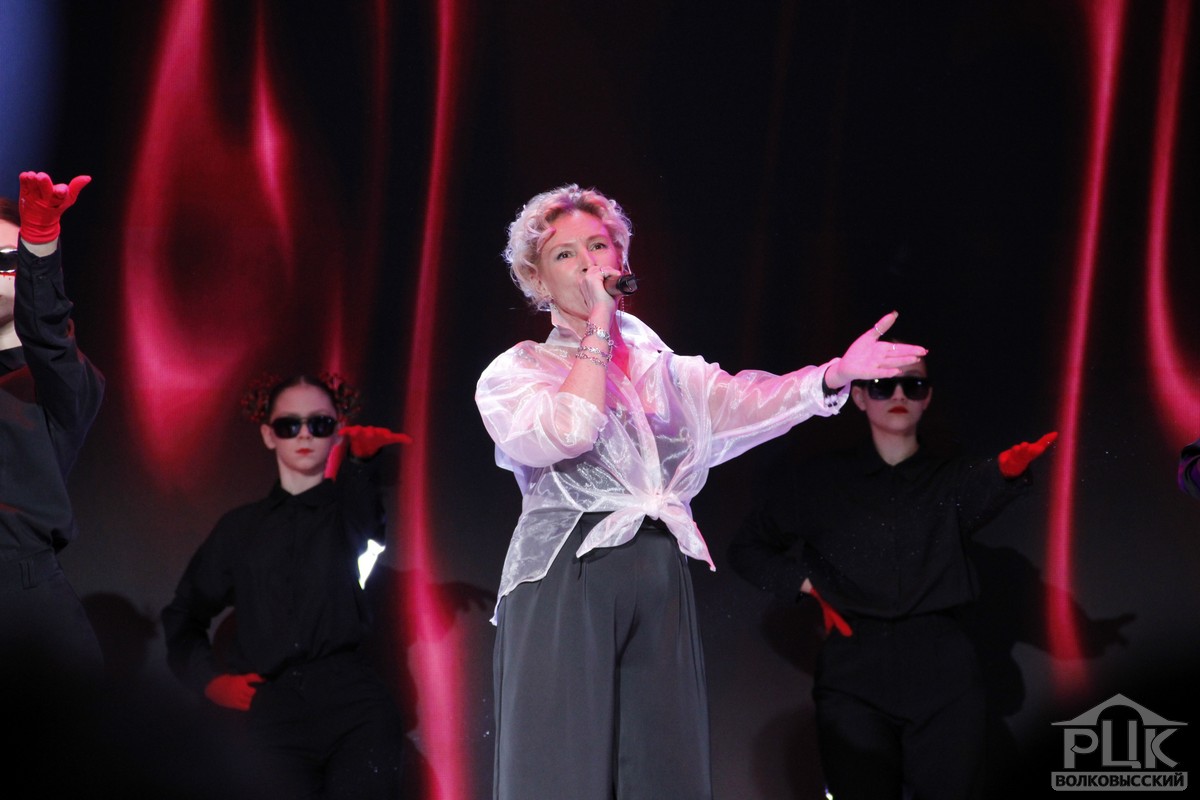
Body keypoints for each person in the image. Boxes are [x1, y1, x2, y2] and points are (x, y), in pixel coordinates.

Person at [474, 183, 927, 800]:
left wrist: (833, 375)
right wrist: (599, 329)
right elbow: (569, 430)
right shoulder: (518, 371)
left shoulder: (666, 369)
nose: (586, 263)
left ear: (622, 258)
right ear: (537, 279)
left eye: (598, 246)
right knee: (561, 770)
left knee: (665, 767)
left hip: (658, 562)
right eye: (564, 254)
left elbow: (746, 402)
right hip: (566, 571)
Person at [728, 351, 1057, 800]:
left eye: (914, 386)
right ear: (859, 397)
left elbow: (983, 484)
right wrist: (807, 585)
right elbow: (746, 549)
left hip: (943, 669)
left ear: (927, 398)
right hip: (854, 670)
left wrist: (1006, 473)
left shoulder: (950, 478)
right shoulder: (820, 481)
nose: (899, 395)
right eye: (883, 386)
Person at [161, 373, 414, 799]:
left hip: (354, 707)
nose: (304, 435)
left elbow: (368, 529)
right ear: (268, 434)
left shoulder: (346, 512)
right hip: (271, 713)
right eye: (288, 424)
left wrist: (360, 466)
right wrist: (209, 681)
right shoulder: (240, 529)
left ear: (336, 431)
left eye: (319, 423)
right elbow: (183, 615)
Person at [0, 171, 105, 676]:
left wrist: (39, 244)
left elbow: (46, 334)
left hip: (20, 602)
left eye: (7, 259)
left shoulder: (60, 380)